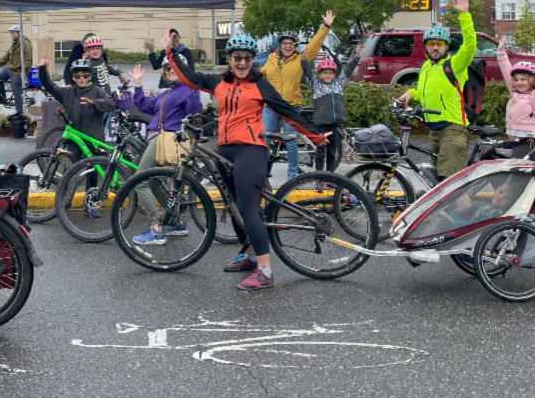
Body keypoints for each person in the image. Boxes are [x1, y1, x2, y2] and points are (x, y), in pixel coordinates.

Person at [166, 28, 326, 291]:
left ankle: (266, 271)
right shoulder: (218, 81)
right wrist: (171, 53)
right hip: (224, 150)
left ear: (253, 60)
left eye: (247, 58)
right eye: (237, 57)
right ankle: (251, 257)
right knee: (233, 207)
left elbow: (287, 111)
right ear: (230, 58)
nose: (242, 63)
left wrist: (316, 136)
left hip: (251, 150)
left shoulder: (260, 85)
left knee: (248, 209)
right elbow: (189, 78)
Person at [399, 0, 476, 179]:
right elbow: (425, 92)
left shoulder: (455, 65)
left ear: (446, 46)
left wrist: (464, 15)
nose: (435, 47)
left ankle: (459, 209)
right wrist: (410, 94)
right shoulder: (426, 67)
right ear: (425, 47)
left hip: (453, 129)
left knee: (449, 182)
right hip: (434, 131)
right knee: (436, 180)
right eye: (431, 44)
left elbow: (470, 45)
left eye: (439, 44)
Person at [126, 60, 203, 245]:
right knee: (152, 181)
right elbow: (144, 106)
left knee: (140, 181)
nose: (170, 71)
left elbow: (195, 112)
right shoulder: (168, 92)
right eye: (167, 68)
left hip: (166, 139)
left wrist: (192, 87)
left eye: (175, 68)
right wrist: (137, 84)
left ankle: (155, 228)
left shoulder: (187, 89)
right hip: (157, 139)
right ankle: (175, 223)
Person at [38, 56, 116, 217]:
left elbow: (110, 104)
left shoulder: (97, 91)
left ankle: (90, 204)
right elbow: (49, 86)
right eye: (77, 76)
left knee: (92, 172)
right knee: (69, 171)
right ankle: (65, 202)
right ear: (73, 77)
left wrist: (92, 103)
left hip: (94, 138)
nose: (81, 79)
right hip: (74, 139)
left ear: (90, 76)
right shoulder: (67, 92)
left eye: (85, 76)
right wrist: (42, 69)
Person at [260, 11, 333, 177]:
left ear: (294, 46)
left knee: (291, 142)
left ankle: (292, 176)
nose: (287, 46)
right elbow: (260, 75)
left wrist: (326, 26)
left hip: (291, 107)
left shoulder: (301, 59)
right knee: (264, 141)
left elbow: (314, 44)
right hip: (270, 107)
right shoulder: (271, 59)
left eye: (291, 43)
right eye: (284, 43)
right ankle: (262, 173)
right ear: (280, 45)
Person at [301, 46, 360, 172]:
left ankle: (330, 178)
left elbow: (347, 70)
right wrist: (303, 59)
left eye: (330, 73)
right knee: (320, 153)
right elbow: (307, 73)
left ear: (334, 74)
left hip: (333, 125)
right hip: (320, 125)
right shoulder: (316, 85)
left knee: (332, 153)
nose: (328, 75)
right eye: (325, 73)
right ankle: (320, 178)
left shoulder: (338, 84)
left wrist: (356, 57)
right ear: (320, 75)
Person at [0, 24, 33, 114]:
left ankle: (19, 111)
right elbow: (6, 57)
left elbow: (28, 59)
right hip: (10, 68)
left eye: (13, 33)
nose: (12, 35)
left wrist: (24, 71)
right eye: (11, 33)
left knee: (16, 91)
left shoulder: (26, 44)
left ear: (19, 33)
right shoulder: (14, 44)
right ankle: (2, 98)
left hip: (18, 70)